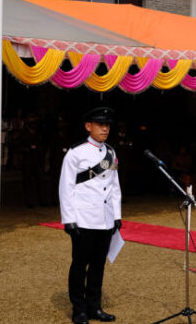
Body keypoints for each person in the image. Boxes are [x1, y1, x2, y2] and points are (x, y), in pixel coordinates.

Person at [59, 107, 121, 324]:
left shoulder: (111, 153)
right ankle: (79, 310)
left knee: (98, 266)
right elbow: (66, 187)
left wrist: (117, 215)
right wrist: (69, 219)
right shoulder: (76, 153)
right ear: (88, 126)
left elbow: (114, 186)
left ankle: (95, 307)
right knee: (79, 265)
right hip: (83, 220)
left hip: (104, 219)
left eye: (107, 125)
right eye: (100, 124)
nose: (105, 129)